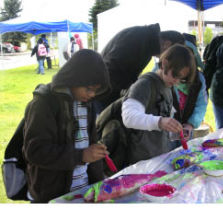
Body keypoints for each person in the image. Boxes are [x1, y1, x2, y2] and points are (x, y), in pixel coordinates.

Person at [22, 49, 111, 203]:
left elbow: (89, 143)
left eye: (95, 91)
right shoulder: (44, 103)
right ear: (73, 79)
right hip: (53, 193)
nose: (92, 95)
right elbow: (35, 151)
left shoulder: (86, 104)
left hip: (84, 190)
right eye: (88, 89)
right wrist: (81, 156)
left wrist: (98, 177)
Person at [121, 44, 196, 165]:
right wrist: (160, 122)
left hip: (159, 156)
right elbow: (128, 117)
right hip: (142, 161)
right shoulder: (144, 84)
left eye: (181, 79)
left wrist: (177, 131)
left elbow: (161, 125)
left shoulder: (167, 86)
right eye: (175, 75)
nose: (177, 81)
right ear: (164, 64)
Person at [96, 23, 185, 114]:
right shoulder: (138, 38)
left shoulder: (146, 43)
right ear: (167, 44)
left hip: (108, 92)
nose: (171, 60)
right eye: (172, 55)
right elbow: (111, 68)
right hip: (102, 93)